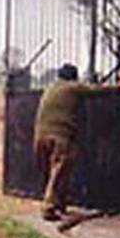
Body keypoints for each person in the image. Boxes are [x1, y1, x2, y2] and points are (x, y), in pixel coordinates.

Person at [33, 63, 93, 221]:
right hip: (60, 136)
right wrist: (119, 87)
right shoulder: (72, 88)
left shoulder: (50, 88)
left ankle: (59, 204)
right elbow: (95, 90)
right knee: (59, 172)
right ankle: (48, 207)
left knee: (49, 172)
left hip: (40, 135)